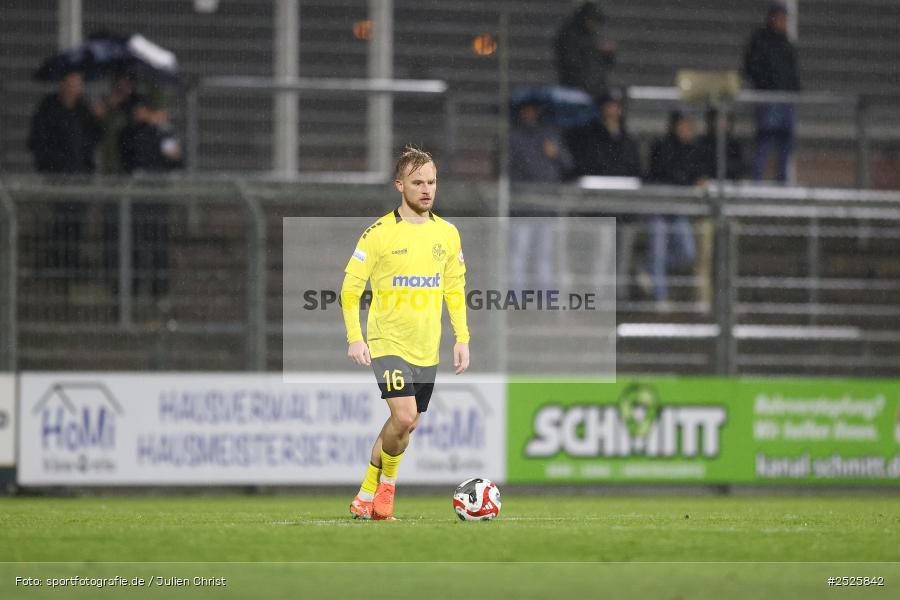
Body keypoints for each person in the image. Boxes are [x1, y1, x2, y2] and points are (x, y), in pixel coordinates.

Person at [341, 146, 470, 521]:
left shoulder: (447, 234)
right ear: (400, 185)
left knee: (407, 423)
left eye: (431, 182)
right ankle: (386, 493)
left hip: (426, 347)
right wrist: (355, 336)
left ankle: (365, 493)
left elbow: (455, 289)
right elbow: (349, 290)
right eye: (417, 182)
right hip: (387, 341)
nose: (427, 189)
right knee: (404, 415)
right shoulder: (378, 233)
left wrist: (462, 338)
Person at [508, 101, 573, 292]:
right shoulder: (514, 138)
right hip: (523, 207)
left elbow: (568, 165)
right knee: (518, 255)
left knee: (544, 257)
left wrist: (556, 154)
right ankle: (516, 298)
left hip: (547, 207)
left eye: (533, 111)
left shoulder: (551, 137)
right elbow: (511, 169)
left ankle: (544, 300)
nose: (530, 115)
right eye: (526, 111)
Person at [645, 111, 703, 303]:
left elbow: (695, 175)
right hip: (659, 209)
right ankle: (659, 300)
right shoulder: (661, 146)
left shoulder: (693, 149)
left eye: (690, 126)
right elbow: (660, 172)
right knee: (658, 254)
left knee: (688, 253)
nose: (688, 129)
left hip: (679, 210)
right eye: (684, 125)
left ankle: (648, 270)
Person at [743, 2, 800, 183]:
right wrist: (766, 86)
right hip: (769, 101)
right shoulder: (760, 40)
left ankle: (782, 181)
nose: (782, 22)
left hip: (786, 102)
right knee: (764, 142)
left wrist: (795, 90)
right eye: (780, 18)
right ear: (771, 18)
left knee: (785, 144)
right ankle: (757, 180)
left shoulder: (786, 43)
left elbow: (792, 72)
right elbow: (751, 67)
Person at [27, 69, 102, 174]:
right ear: (62, 84)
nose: (74, 89)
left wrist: (98, 119)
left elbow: (95, 137)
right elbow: (38, 137)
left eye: (77, 85)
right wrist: (46, 162)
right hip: (53, 169)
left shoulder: (84, 109)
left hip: (81, 170)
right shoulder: (48, 106)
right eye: (71, 84)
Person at [565, 93, 641, 178]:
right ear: (601, 110)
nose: (612, 112)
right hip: (596, 184)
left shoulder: (628, 140)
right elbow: (588, 164)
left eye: (616, 107)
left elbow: (633, 167)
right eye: (609, 107)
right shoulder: (588, 137)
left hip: (623, 185)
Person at [554, 2, 617, 98]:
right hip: (577, 87)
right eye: (592, 21)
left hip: (594, 87)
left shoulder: (592, 36)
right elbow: (571, 62)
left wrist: (607, 54)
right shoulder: (569, 35)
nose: (595, 26)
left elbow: (605, 64)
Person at [698, 108, 747, 181]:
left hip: (730, 184)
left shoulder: (734, 143)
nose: (722, 123)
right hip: (709, 183)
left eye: (724, 120)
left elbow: (739, 167)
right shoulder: (703, 142)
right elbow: (701, 166)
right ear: (712, 122)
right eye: (718, 120)